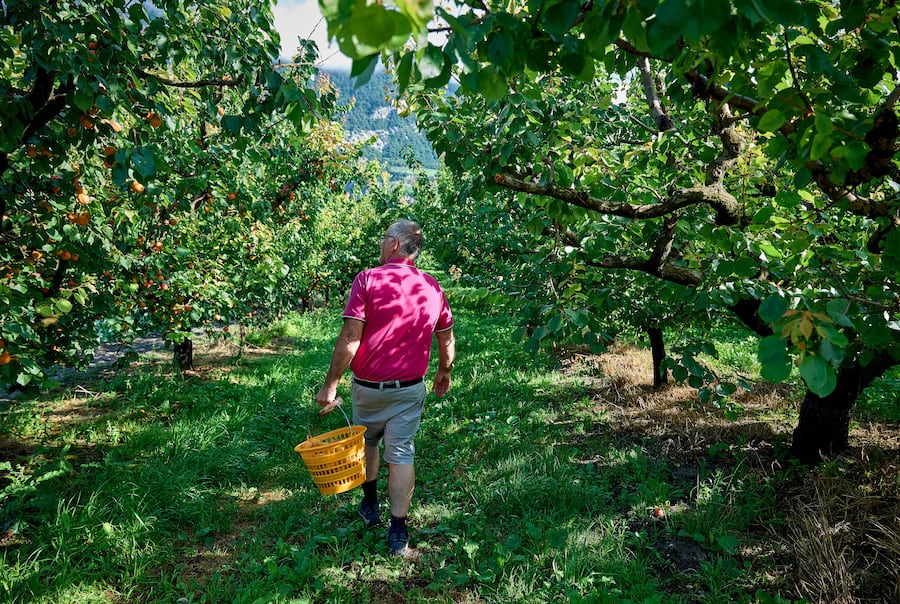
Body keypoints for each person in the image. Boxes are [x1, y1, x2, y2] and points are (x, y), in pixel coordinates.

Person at [315, 219, 455, 556]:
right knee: (402, 452)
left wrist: (330, 385)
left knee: (369, 443)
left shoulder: (368, 279)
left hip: (368, 388)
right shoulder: (432, 286)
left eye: (383, 239)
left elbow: (351, 338)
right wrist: (444, 371)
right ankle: (398, 533)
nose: (380, 244)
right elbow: (447, 337)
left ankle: (370, 504)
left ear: (395, 244)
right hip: (409, 389)